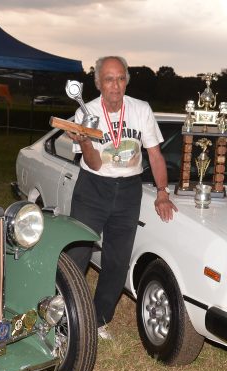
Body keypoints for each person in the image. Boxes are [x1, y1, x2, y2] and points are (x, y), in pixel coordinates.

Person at [67, 55, 177, 340]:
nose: (115, 85)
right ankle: (66, 318)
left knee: (117, 260)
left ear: (126, 80)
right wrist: (85, 141)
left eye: (120, 78)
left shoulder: (141, 110)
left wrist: (163, 193)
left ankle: (99, 318)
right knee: (77, 253)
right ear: (98, 83)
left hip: (129, 190)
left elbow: (154, 154)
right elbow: (92, 163)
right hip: (93, 188)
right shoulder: (86, 112)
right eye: (108, 79)